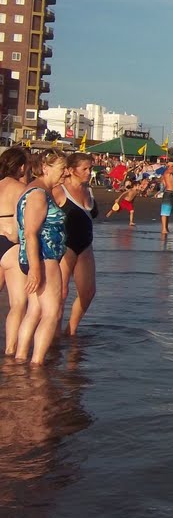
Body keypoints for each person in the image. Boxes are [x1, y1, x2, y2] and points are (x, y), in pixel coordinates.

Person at [15, 149, 68, 365]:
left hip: (38, 259)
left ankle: (19, 360)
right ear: (46, 168)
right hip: (44, 259)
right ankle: (36, 363)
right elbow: (30, 232)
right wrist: (36, 269)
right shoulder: (38, 194)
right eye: (62, 169)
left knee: (34, 310)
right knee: (51, 313)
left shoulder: (37, 190)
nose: (65, 174)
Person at [52, 152, 99, 336]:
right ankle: (53, 334)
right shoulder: (59, 190)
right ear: (71, 170)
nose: (89, 172)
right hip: (65, 246)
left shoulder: (89, 190)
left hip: (86, 245)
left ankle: (70, 330)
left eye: (91, 168)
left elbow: (92, 214)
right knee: (61, 294)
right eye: (85, 169)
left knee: (88, 293)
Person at [0, 147, 31, 354]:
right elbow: (26, 224)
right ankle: (11, 351)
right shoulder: (21, 189)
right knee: (18, 303)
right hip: (10, 244)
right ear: (21, 167)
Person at [160, 160, 173, 236]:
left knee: (168, 213)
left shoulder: (171, 174)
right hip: (168, 193)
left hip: (172, 194)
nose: (172, 167)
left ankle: (166, 228)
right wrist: (172, 164)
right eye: (171, 166)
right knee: (164, 212)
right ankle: (164, 229)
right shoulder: (167, 172)